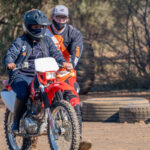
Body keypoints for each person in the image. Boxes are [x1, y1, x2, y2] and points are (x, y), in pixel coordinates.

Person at [4, 9, 73, 150]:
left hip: (43, 73)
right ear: (28, 27)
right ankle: (16, 122)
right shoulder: (21, 41)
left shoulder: (47, 41)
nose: (39, 29)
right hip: (22, 74)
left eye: (41, 27)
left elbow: (57, 54)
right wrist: (10, 62)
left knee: (56, 87)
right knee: (23, 93)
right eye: (36, 27)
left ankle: (61, 118)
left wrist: (63, 62)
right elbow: (11, 53)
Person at [46, 5, 92, 150]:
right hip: (47, 72)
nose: (61, 20)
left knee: (74, 101)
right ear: (52, 17)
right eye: (58, 17)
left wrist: (71, 64)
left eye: (64, 17)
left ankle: (78, 139)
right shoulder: (43, 32)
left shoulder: (74, 33)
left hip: (66, 73)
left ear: (67, 19)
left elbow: (77, 51)